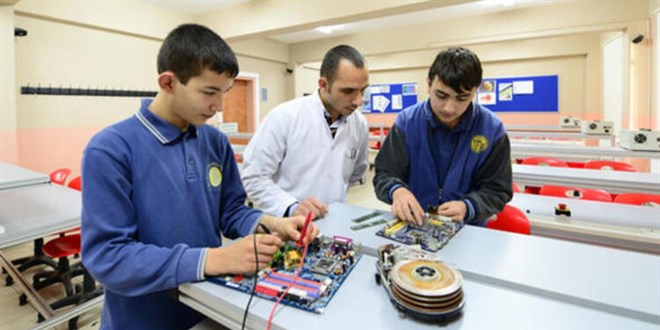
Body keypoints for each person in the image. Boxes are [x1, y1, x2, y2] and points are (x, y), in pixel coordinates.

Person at [80, 24, 318, 330]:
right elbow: (107, 257)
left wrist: (270, 223)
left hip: (209, 311)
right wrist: (212, 260)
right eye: (208, 92)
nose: (218, 106)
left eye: (225, 92)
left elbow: (230, 211)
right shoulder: (111, 149)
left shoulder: (214, 142)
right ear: (168, 82)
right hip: (142, 319)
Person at [373, 47, 512, 226]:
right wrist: (397, 191)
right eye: (441, 95)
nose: (449, 108)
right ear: (429, 84)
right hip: (415, 224)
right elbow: (385, 173)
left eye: (462, 98)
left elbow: (498, 190)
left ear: (475, 91)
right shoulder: (407, 122)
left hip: (467, 230)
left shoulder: (492, 130)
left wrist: (468, 206)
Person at [241, 45, 370, 220]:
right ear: (324, 85)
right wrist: (292, 207)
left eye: (363, 90)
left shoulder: (359, 124)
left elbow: (355, 174)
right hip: (286, 224)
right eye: (348, 91)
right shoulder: (285, 116)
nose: (358, 101)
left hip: (334, 223)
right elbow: (253, 176)